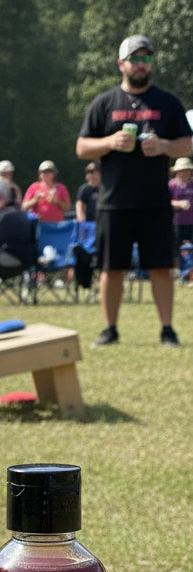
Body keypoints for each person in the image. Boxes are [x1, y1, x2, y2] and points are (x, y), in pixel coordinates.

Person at [77, 34, 192, 347]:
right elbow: (82, 147)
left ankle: (167, 329)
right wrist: (110, 143)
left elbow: (187, 142)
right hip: (113, 202)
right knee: (111, 268)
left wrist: (165, 146)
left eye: (146, 59)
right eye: (135, 59)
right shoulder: (104, 103)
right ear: (121, 64)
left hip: (155, 201)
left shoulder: (167, 102)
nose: (141, 65)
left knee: (160, 266)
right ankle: (109, 329)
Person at [168, 157, 193, 261]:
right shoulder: (171, 185)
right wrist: (178, 204)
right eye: (182, 171)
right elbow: (164, 202)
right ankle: (176, 269)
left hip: (191, 222)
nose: (184, 173)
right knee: (175, 247)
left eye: (187, 170)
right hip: (176, 222)